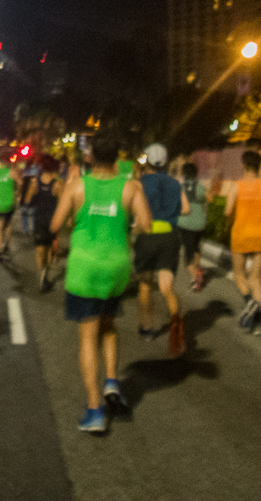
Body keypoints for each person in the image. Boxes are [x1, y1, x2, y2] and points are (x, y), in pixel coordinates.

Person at [51, 133, 152, 434]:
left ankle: (95, 409)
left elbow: (55, 225)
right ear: (117, 156)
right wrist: (124, 222)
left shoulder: (77, 186)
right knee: (109, 326)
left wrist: (72, 213)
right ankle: (112, 381)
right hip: (116, 268)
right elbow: (145, 225)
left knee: (88, 335)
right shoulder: (131, 186)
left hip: (85, 269)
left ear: (91, 155)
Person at [134, 143, 189, 359]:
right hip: (169, 237)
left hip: (147, 236)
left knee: (146, 284)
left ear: (146, 161)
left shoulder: (139, 184)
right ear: (165, 162)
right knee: (167, 286)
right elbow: (186, 208)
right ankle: (177, 328)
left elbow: (134, 210)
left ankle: (146, 327)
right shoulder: (175, 183)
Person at [225, 150, 261, 335]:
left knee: (239, 274)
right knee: (256, 278)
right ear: (259, 166)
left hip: (241, 234)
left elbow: (228, 210)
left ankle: (250, 303)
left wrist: (228, 222)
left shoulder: (236, 186)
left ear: (243, 165)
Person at [25, 154, 63, 292]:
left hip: (39, 219)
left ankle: (42, 274)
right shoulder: (58, 184)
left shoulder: (35, 182)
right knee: (49, 248)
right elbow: (61, 204)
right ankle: (45, 275)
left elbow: (28, 201)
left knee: (40, 248)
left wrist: (35, 197)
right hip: (52, 220)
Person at [177, 162, 210, 291]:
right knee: (196, 247)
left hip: (184, 223)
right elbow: (207, 198)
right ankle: (198, 267)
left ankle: (194, 279)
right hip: (199, 223)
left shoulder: (180, 187)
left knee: (188, 251)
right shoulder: (201, 186)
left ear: (184, 173)